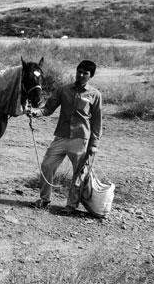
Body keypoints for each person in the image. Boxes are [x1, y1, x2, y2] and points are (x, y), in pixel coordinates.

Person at [29, 59, 103, 215]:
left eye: (85, 73)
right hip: (61, 137)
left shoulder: (95, 95)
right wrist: (36, 112)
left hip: (81, 140)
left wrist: (94, 144)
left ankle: (71, 205)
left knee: (78, 174)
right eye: (79, 71)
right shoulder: (63, 90)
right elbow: (48, 109)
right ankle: (44, 199)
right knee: (47, 166)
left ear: (91, 76)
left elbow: (97, 122)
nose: (81, 75)